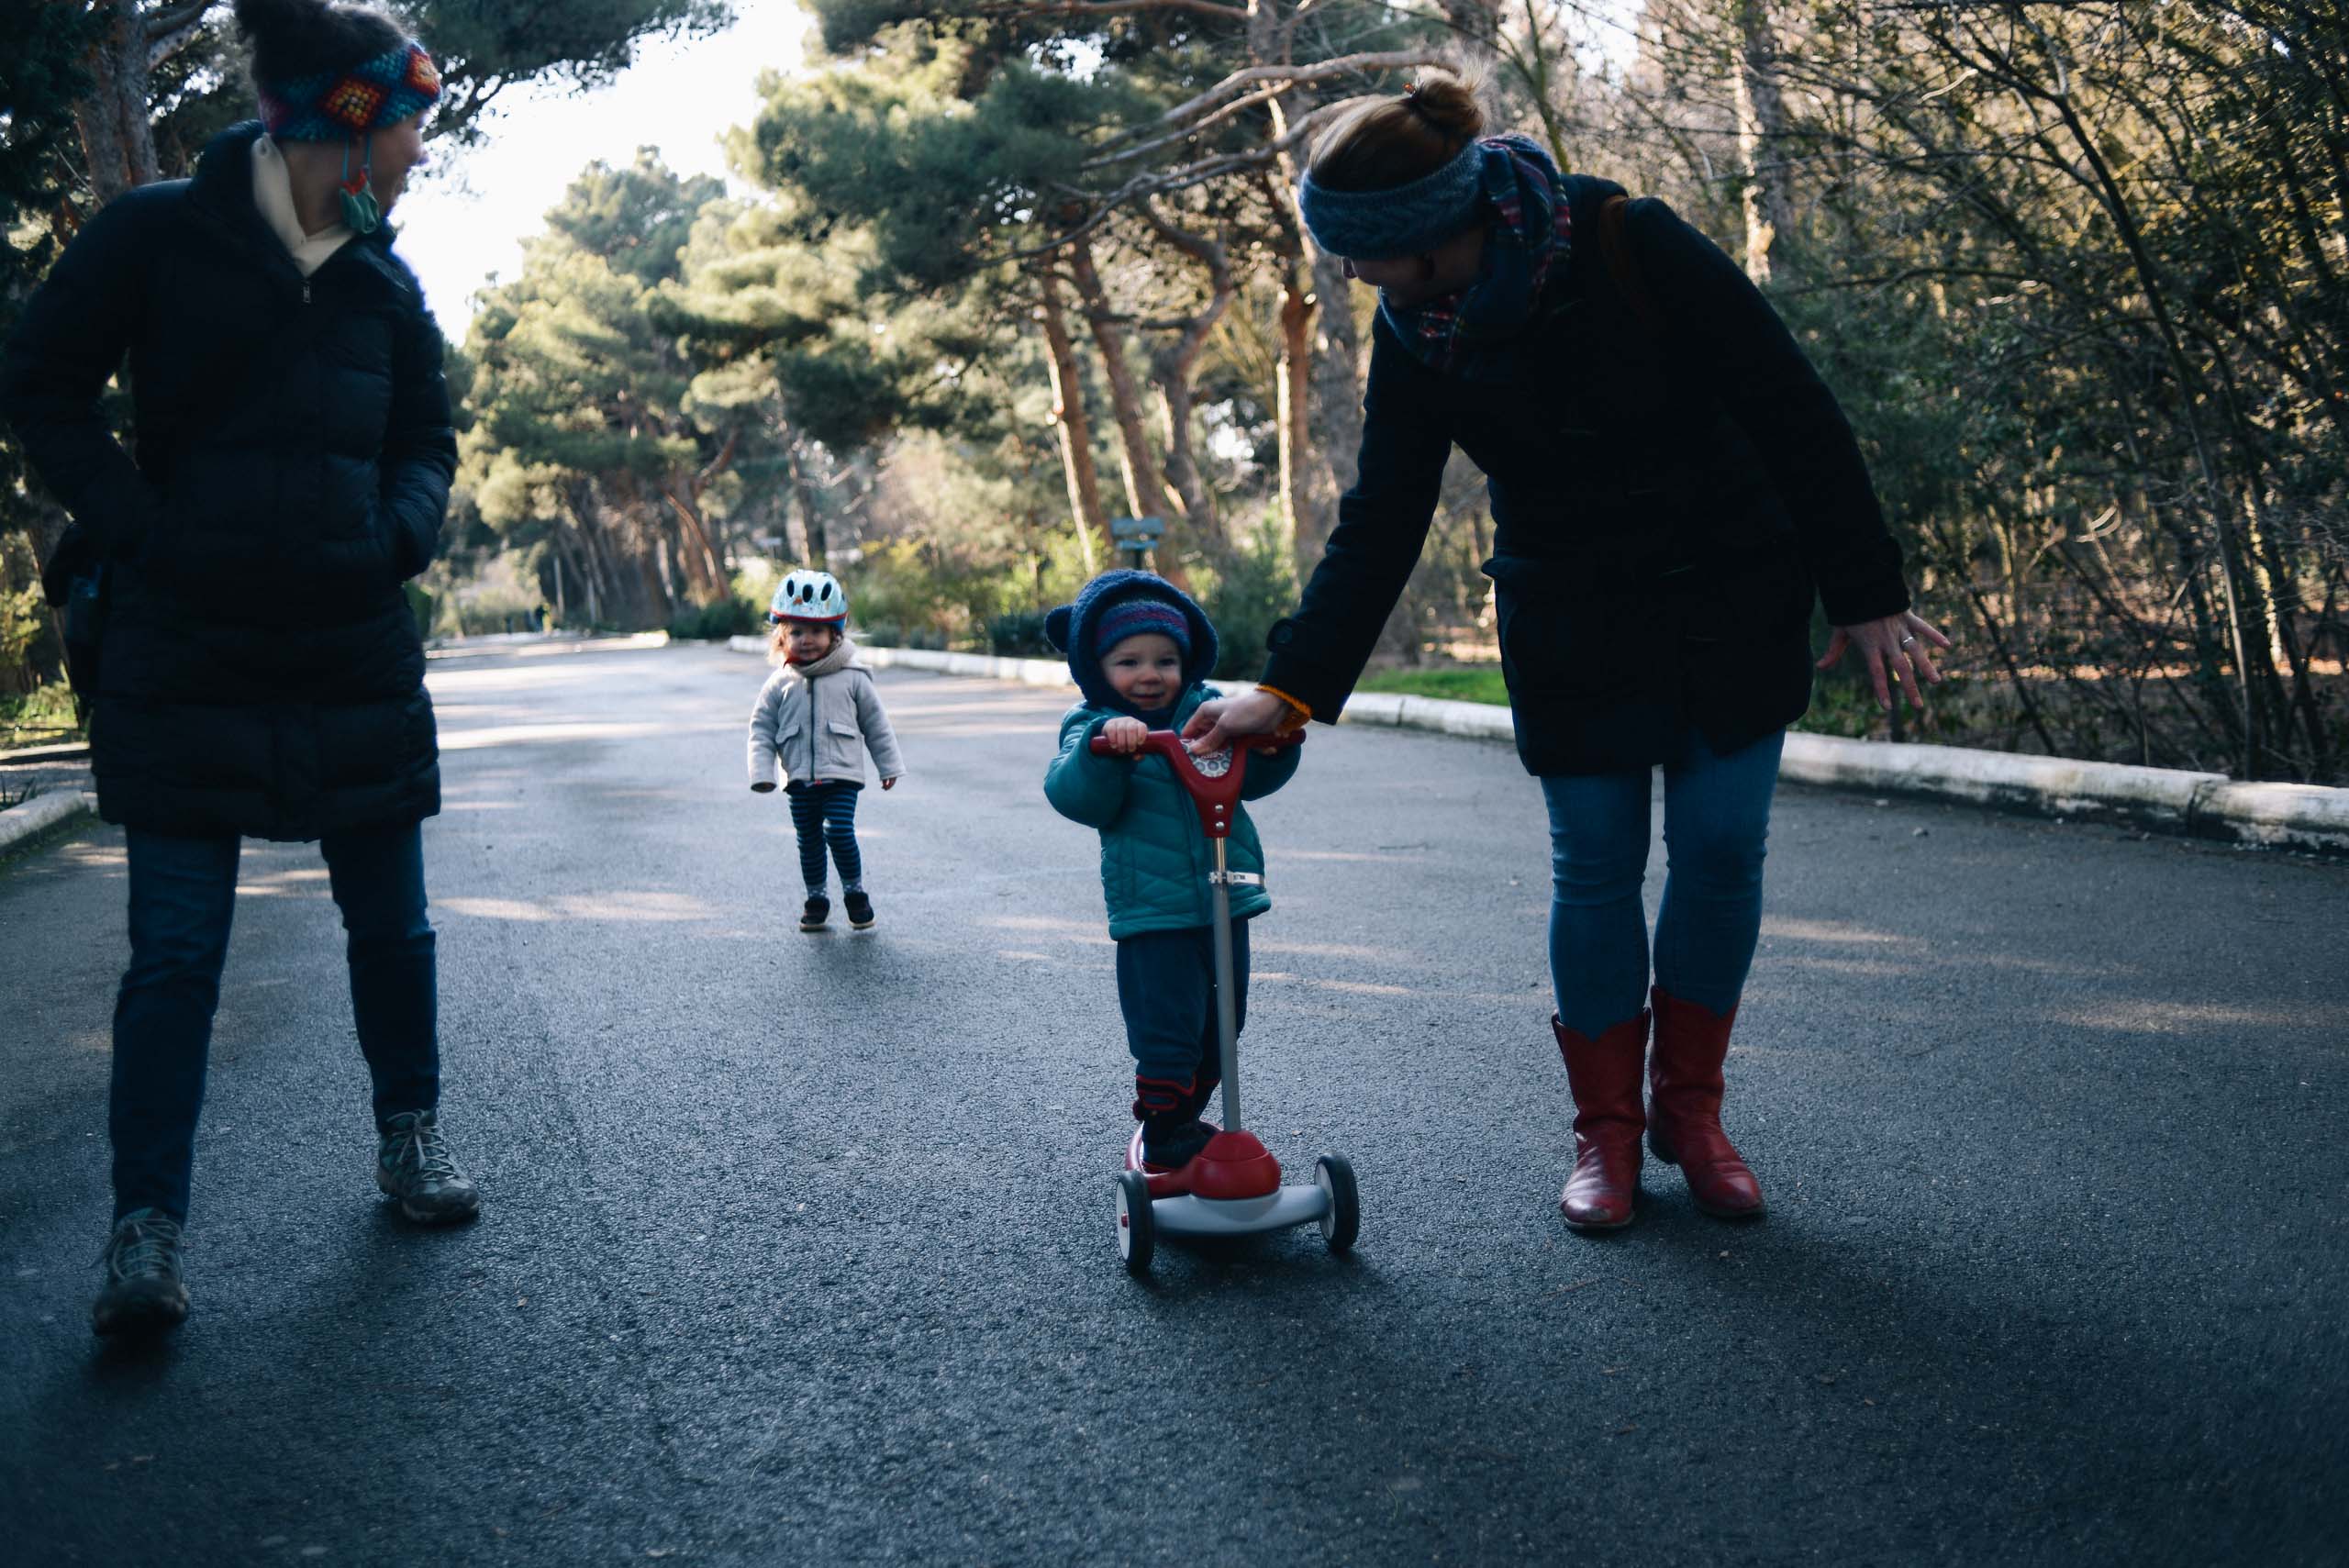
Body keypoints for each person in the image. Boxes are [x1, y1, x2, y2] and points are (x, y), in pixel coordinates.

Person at [1184, 74, 1950, 1231]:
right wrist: (1288, 686)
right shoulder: (1418, 328)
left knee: (1720, 851)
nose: (1348, 277)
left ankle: (1692, 1114)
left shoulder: (1621, 240)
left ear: (1429, 237)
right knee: (1592, 866)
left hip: (1730, 589)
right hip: (1572, 611)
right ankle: (1607, 1135)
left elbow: (1789, 403)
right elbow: (1384, 513)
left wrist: (1867, 589)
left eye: (1359, 252)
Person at [0, 0, 470, 1337]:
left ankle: (410, 1140)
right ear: (348, 125)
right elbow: (39, 384)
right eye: (412, 128)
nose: (421, 156)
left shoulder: (383, 275)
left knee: (394, 926)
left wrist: (399, 533)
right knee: (176, 956)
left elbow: (426, 434)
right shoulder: (155, 232)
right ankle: (144, 1229)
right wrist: (140, 530)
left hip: (349, 644)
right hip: (186, 647)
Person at [1042, 572, 1302, 1172]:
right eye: (1128, 660)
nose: (1150, 673)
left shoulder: (1209, 713)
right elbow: (1073, 793)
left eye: (1165, 658)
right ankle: (1163, 1130)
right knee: (1168, 1024)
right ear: (1095, 666)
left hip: (1224, 897)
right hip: (1152, 911)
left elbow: (1256, 780)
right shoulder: (1092, 727)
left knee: (1223, 1024)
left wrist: (1273, 746)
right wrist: (1107, 745)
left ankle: (1189, 1116)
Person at [746, 570, 904, 931]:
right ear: (781, 636)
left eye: (816, 631)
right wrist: (762, 774)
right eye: (796, 632)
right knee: (808, 840)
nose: (806, 640)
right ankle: (816, 897)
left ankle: (855, 892)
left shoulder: (853, 676)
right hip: (798, 778)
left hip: (842, 775)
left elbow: (876, 725)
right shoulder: (779, 683)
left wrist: (888, 765)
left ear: (835, 634)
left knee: (838, 830)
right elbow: (761, 730)